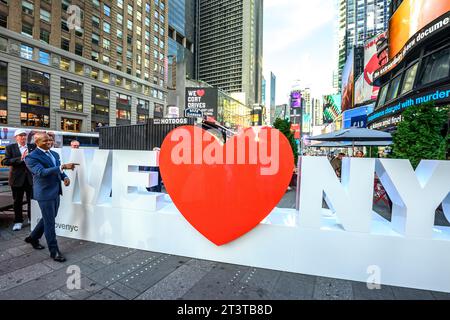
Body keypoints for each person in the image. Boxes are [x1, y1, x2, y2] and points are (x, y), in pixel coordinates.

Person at [24, 133, 78, 262]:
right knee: (50, 223)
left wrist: (64, 177)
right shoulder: (31, 157)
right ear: (37, 142)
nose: (50, 141)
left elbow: (58, 170)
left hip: (55, 191)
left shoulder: (54, 154)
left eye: (50, 139)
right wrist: (62, 167)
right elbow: (41, 172)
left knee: (50, 218)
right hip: (44, 193)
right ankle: (54, 252)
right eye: (46, 140)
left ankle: (33, 237)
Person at [1, 129, 36, 231]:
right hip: (16, 179)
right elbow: (5, 161)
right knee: (17, 201)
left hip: (30, 178)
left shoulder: (32, 146)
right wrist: (20, 158)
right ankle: (18, 221)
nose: (23, 137)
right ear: (16, 137)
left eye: (24, 135)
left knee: (32, 200)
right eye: (21, 136)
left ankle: (31, 218)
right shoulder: (10, 147)